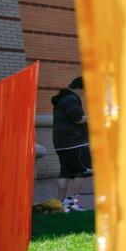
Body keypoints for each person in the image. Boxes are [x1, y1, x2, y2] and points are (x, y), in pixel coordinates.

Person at [51, 76, 92, 213]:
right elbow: (78, 118)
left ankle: (61, 204)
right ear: (80, 88)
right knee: (84, 171)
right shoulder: (71, 99)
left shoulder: (62, 99)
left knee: (65, 173)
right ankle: (73, 202)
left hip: (61, 144)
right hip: (75, 143)